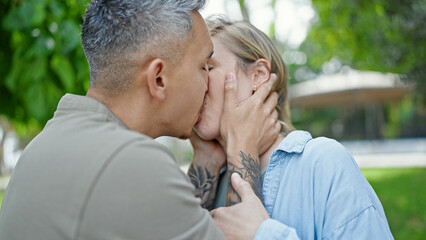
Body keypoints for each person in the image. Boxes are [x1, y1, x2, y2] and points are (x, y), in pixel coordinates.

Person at [0, 1, 280, 239]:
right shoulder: (132, 162)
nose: (209, 84)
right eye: (203, 66)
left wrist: (206, 158)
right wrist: (243, 147)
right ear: (158, 78)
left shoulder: (43, 147)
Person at [189, 16, 394, 239]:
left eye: (208, 67)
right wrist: (206, 158)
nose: (196, 83)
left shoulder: (323, 162)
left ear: (257, 75)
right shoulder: (213, 176)